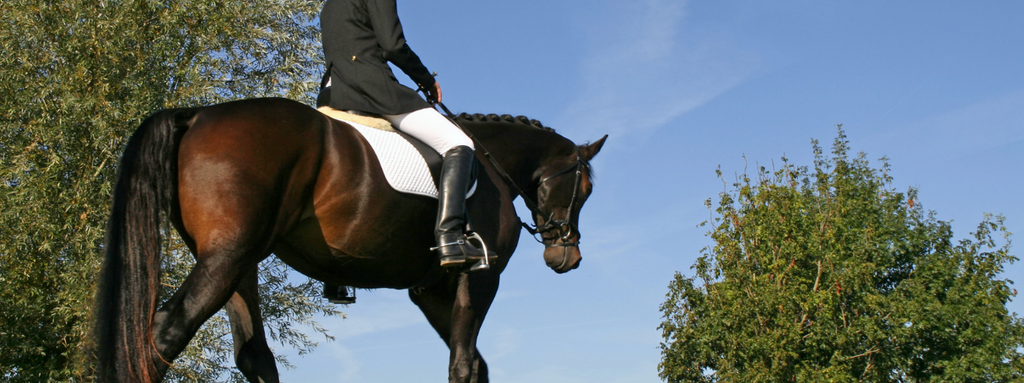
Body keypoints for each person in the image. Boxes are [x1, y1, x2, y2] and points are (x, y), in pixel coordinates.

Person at [319, 0, 489, 268]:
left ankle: (334, 277)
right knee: (459, 142)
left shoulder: (330, 3)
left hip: (332, 93)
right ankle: (451, 238)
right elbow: (393, 45)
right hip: (369, 88)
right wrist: (425, 79)